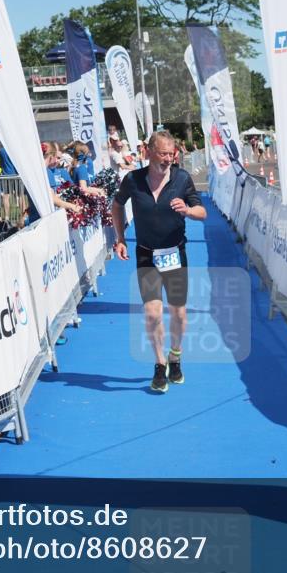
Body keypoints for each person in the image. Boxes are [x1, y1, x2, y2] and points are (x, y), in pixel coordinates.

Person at [111, 130, 206, 393]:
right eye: (163, 153)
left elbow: (202, 211)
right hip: (146, 254)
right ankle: (159, 363)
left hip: (175, 254)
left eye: (171, 153)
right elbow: (117, 206)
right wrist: (120, 238)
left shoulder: (182, 179)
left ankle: (175, 356)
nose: (168, 158)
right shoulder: (133, 180)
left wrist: (187, 210)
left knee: (178, 312)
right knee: (152, 314)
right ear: (149, 152)